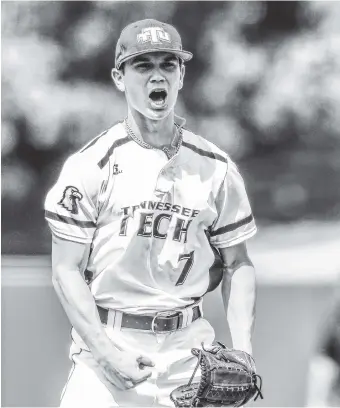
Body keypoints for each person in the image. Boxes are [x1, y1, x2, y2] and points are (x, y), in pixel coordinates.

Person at [44, 18, 258, 407]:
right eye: (143, 65)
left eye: (167, 65)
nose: (156, 75)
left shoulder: (216, 167)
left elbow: (237, 263)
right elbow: (65, 269)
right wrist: (107, 354)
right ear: (119, 77)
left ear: (180, 76)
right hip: (108, 346)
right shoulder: (91, 165)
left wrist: (243, 351)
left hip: (190, 350)